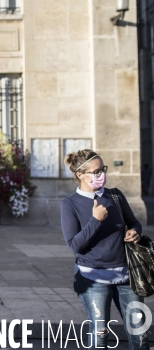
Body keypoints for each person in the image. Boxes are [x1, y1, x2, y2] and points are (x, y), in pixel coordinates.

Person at [61, 149, 149, 349]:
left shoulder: (115, 196)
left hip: (127, 277)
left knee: (140, 333)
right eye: (96, 171)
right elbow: (75, 246)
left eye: (103, 169)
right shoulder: (70, 204)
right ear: (80, 175)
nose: (101, 175)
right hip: (93, 280)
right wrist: (95, 220)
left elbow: (134, 223)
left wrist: (134, 232)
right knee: (100, 336)